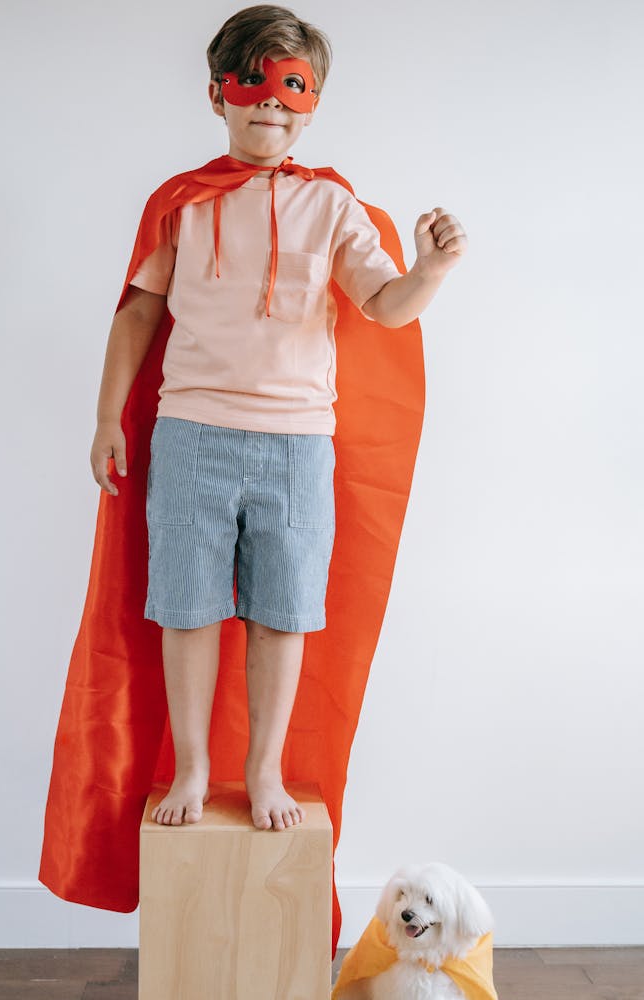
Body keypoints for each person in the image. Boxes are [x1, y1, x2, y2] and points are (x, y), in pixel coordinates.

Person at [87, 4, 467, 834]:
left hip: (298, 444)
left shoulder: (335, 209)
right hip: (192, 431)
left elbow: (386, 305)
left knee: (282, 610)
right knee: (185, 606)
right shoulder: (180, 203)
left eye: (293, 86)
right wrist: (108, 416)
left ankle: (264, 772)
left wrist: (430, 269)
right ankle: (192, 765)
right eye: (253, 82)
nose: (271, 102)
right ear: (217, 94)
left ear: (313, 100)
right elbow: (137, 313)